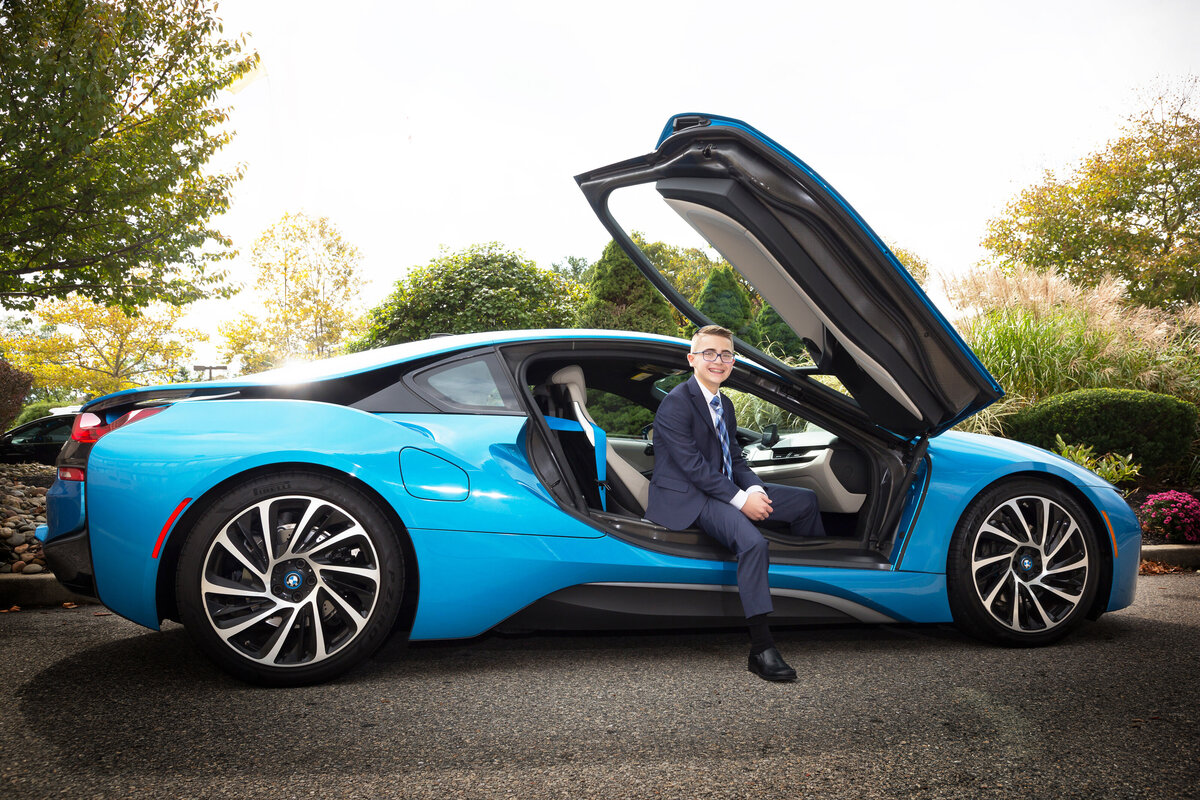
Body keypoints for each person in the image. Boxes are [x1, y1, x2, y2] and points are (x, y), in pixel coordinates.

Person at [646, 324, 826, 682]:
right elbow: (694, 469)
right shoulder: (676, 404)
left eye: (726, 354)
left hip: (722, 489)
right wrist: (742, 500)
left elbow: (736, 461)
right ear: (692, 359)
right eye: (709, 353)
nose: (719, 360)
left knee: (805, 501)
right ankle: (761, 649)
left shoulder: (723, 403)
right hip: (691, 498)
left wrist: (756, 490)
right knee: (753, 543)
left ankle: (810, 601)